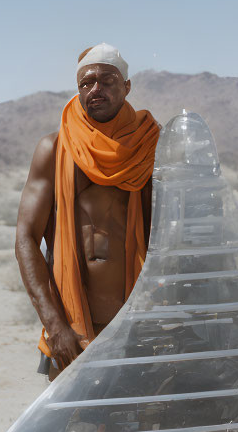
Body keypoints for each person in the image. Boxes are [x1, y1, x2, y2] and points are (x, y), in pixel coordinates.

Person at [15, 44, 159, 379]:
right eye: (86, 83)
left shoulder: (150, 148)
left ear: (127, 86)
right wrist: (55, 326)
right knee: (75, 430)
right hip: (72, 328)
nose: (96, 89)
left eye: (107, 80)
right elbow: (25, 238)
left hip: (141, 326)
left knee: (141, 427)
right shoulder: (54, 149)